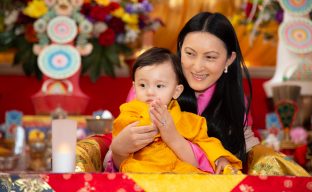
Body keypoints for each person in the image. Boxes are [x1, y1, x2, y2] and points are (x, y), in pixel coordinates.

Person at [108, 12, 310, 176]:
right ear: (180, 49)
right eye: (189, 53)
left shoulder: (233, 100)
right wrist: (118, 149)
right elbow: (121, 155)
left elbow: (244, 149)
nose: (197, 67)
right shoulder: (150, 89)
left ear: (229, 60)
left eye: (210, 57)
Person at [112, 47, 242, 173]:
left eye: (159, 85)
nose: (150, 92)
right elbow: (117, 155)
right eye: (142, 85)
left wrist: (219, 158)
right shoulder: (129, 114)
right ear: (134, 88)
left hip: (180, 176)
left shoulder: (191, 121)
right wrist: (119, 147)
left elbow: (208, 144)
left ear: (176, 91)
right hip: (143, 173)